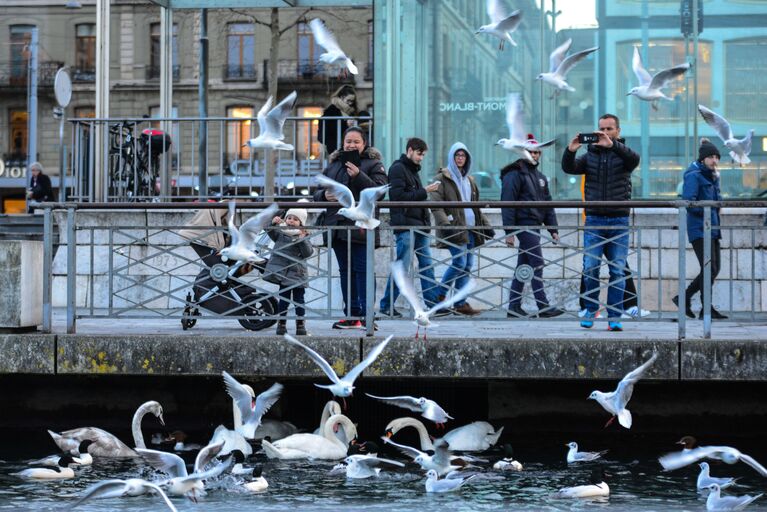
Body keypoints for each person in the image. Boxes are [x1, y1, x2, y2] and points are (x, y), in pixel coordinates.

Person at [562, 114, 640, 331]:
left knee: (617, 270)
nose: (605, 132)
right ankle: (589, 309)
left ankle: (614, 316)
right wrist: (571, 150)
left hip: (618, 220)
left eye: (609, 128)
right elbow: (569, 168)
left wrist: (612, 145)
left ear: (618, 131)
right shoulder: (590, 156)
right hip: (595, 220)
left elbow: (635, 160)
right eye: (601, 129)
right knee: (591, 267)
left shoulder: (624, 155)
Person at [313, 126, 387, 329]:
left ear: (364, 144)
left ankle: (367, 315)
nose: (352, 145)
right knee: (345, 271)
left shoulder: (374, 164)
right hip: (337, 228)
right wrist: (323, 196)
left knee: (363, 270)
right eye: (348, 141)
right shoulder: (334, 164)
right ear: (343, 143)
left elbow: (379, 193)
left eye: (356, 141)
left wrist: (358, 175)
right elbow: (317, 192)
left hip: (361, 229)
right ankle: (351, 315)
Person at [379, 137, 444, 318]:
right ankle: (386, 305)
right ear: (409, 151)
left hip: (419, 226)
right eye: (419, 154)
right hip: (406, 226)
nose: (421, 158)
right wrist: (426, 191)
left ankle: (432, 305)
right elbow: (399, 197)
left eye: (423, 155)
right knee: (403, 267)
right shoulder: (398, 168)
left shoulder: (411, 170)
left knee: (426, 266)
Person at [500, 135, 564, 319]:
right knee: (537, 263)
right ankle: (543, 307)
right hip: (523, 225)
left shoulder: (540, 177)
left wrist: (553, 229)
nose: (535, 155)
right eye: (532, 152)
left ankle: (514, 306)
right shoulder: (514, 174)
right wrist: (509, 232)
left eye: (537, 152)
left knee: (524, 264)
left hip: (534, 226)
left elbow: (548, 204)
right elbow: (508, 203)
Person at [430, 142, 492, 316]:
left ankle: (460, 303)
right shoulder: (441, 179)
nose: (460, 159)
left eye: (463, 156)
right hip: (454, 228)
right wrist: (445, 225)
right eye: (457, 155)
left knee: (467, 266)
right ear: (451, 157)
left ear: (467, 159)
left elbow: (475, 207)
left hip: (471, 229)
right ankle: (439, 297)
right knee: (459, 263)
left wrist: (486, 226)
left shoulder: (469, 180)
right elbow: (435, 205)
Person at [673, 138, 727, 320]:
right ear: (703, 158)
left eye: (717, 157)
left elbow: (717, 200)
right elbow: (689, 202)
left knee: (714, 269)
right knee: (709, 269)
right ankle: (696, 303)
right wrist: (706, 210)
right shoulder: (693, 175)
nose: (715, 160)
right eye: (711, 157)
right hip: (699, 228)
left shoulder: (711, 175)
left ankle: (691, 302)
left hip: (713, 227)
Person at [264, 207, 314, 336]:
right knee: (283, 299)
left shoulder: (303, 234)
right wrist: (273, 222)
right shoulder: (280, 233)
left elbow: (307, 253)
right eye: (289, 218)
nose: (291, 221)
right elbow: (268, 231)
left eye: (295, 219)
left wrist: (302, 239)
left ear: (301, 223)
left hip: (297, 273)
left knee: (299, 299)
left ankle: (300, 324)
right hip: (283, 272)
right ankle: (281, 324)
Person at [318, 85, 359, 156]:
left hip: (349, 145)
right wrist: (346, 124)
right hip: (336, 147)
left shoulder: (351, 111)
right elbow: (330, 129)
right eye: (348, 100)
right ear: (341, 97)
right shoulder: (331, 110)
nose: (350, 103)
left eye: (352, 101)